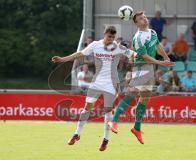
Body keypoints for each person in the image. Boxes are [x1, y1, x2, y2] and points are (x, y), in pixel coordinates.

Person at [51, 26, 135, 151]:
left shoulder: (117, 47)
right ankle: (77, 134)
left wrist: (141, 56)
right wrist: (63, 59)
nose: (111, 39)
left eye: (113, 37)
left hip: (111, 83)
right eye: (109, 36)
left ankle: (105, 139)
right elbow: (79, 54)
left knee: (107, 111)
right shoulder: (95, 45)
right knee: (87, 109)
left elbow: (133, 54)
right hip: (97, 82)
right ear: (104, 34)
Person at [108, 11, 175, 144]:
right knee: (132, 93)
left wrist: (166, 58)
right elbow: (144, 56)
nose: (144, 19)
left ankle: (136, 128)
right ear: (136, 23)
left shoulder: (153, 33)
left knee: (144, 99)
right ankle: (114, 120)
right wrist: (161, 63)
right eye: (141, 18)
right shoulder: (138, 38)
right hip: (141, 66)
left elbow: (158, 46)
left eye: (145, 17)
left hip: (150, 68)